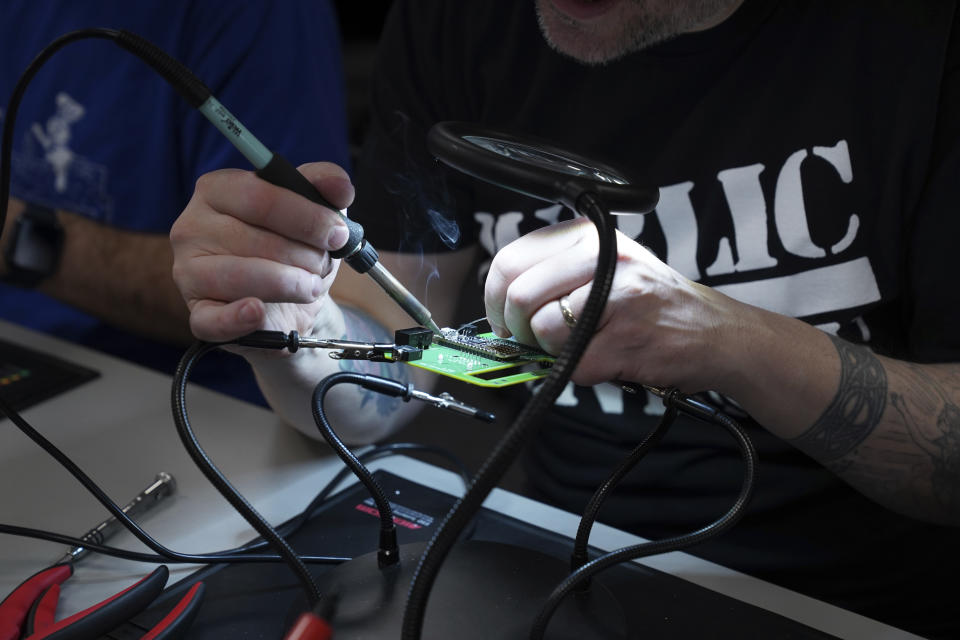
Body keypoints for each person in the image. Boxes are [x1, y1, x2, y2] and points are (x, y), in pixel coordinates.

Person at [169, 0, 960, 636]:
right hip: (554, 565)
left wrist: (726, 339)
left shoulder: (918, 40)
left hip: (852, 604)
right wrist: (294, 331)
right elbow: (390, 373)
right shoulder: (459, 23)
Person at [0, 0, 350, 403]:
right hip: (25, 352)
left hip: (184, 398)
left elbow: (273, 289)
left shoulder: (262, 17)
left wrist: (19, 238)